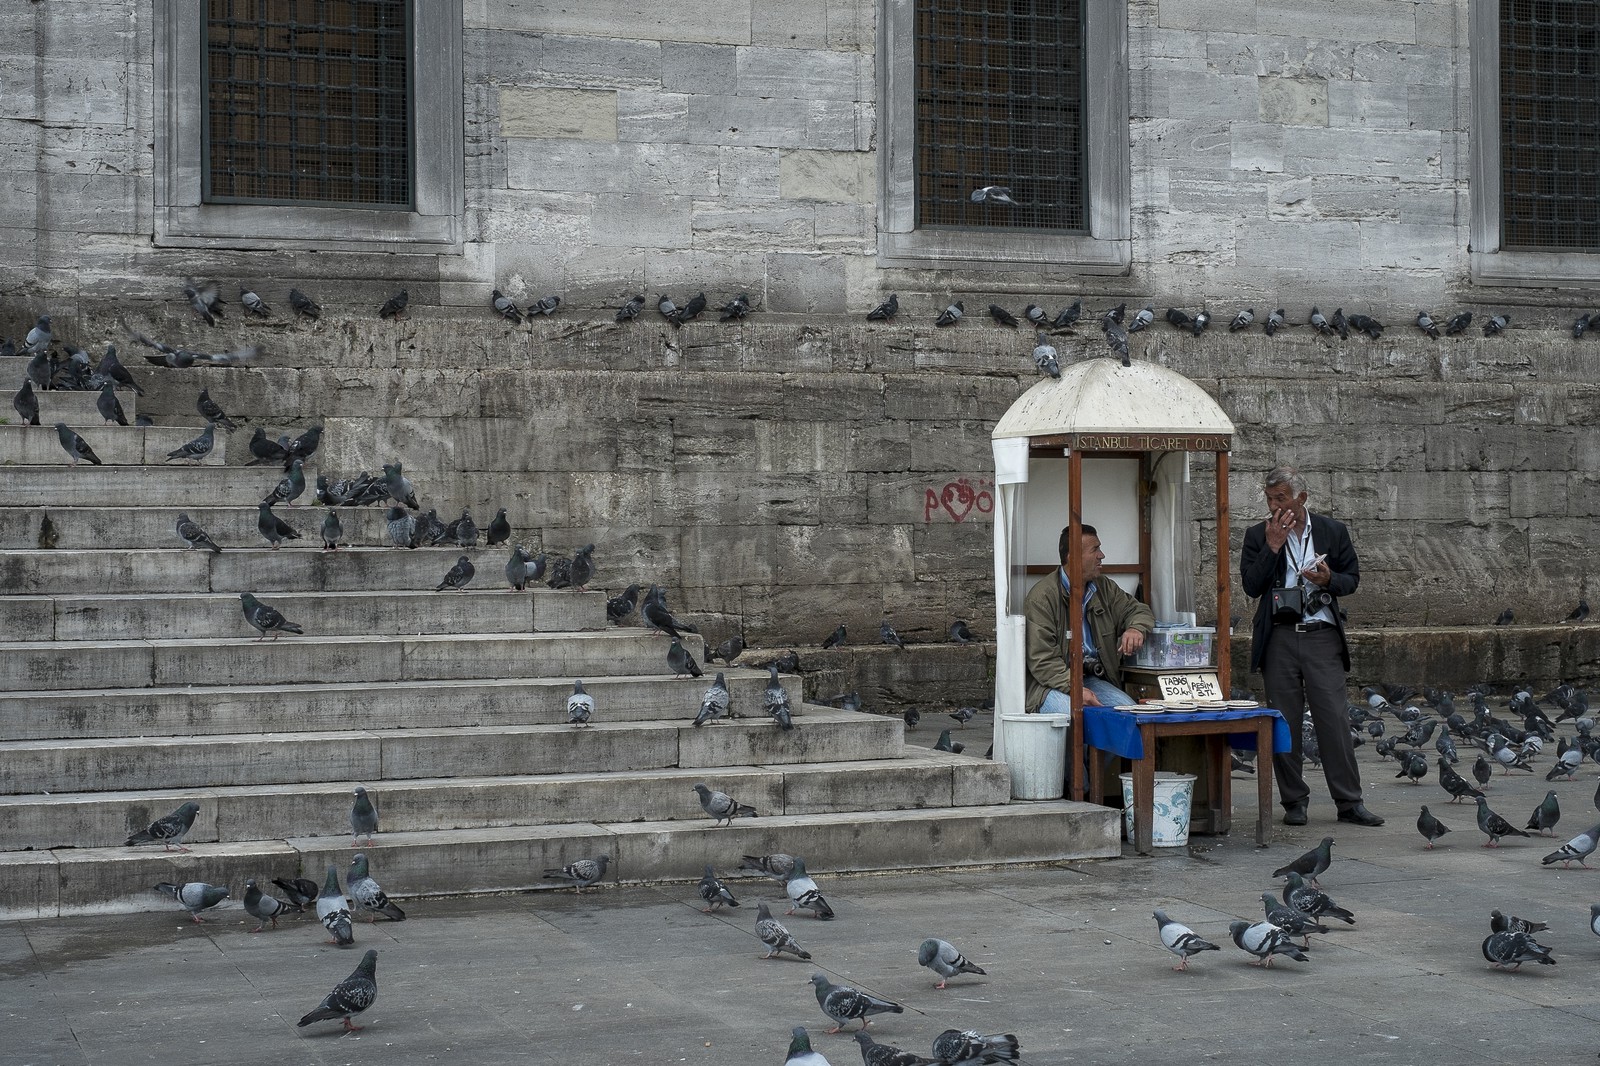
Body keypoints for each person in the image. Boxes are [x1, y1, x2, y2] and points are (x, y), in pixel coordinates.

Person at [1240, 466, 1383, 827]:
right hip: (1279, 637)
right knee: (1284, 721)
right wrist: (1272, 547)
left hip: (1320, 634)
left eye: (1281, 499)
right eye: (1270, 499)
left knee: (1333, 718)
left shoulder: (1332, 531)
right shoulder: (1258, 535)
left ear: (1301, 499)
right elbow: (1251, 586)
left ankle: (1349, 801)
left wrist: (1329, 578)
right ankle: (1294, 801)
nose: (1274, 506)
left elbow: (1352, 579)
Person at [1025, 524, 1155, 719]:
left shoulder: (1104, 587)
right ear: (1073, 557)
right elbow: (1043, 661)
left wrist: (1136, 628)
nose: (1101, 555)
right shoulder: (1042, 597)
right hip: (1051, 684)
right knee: (1078, 717)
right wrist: (1075, 689)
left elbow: (1137, 609)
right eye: (1095, 549)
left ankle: (1109, 751)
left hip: (1093, 679)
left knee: (1127, 714)